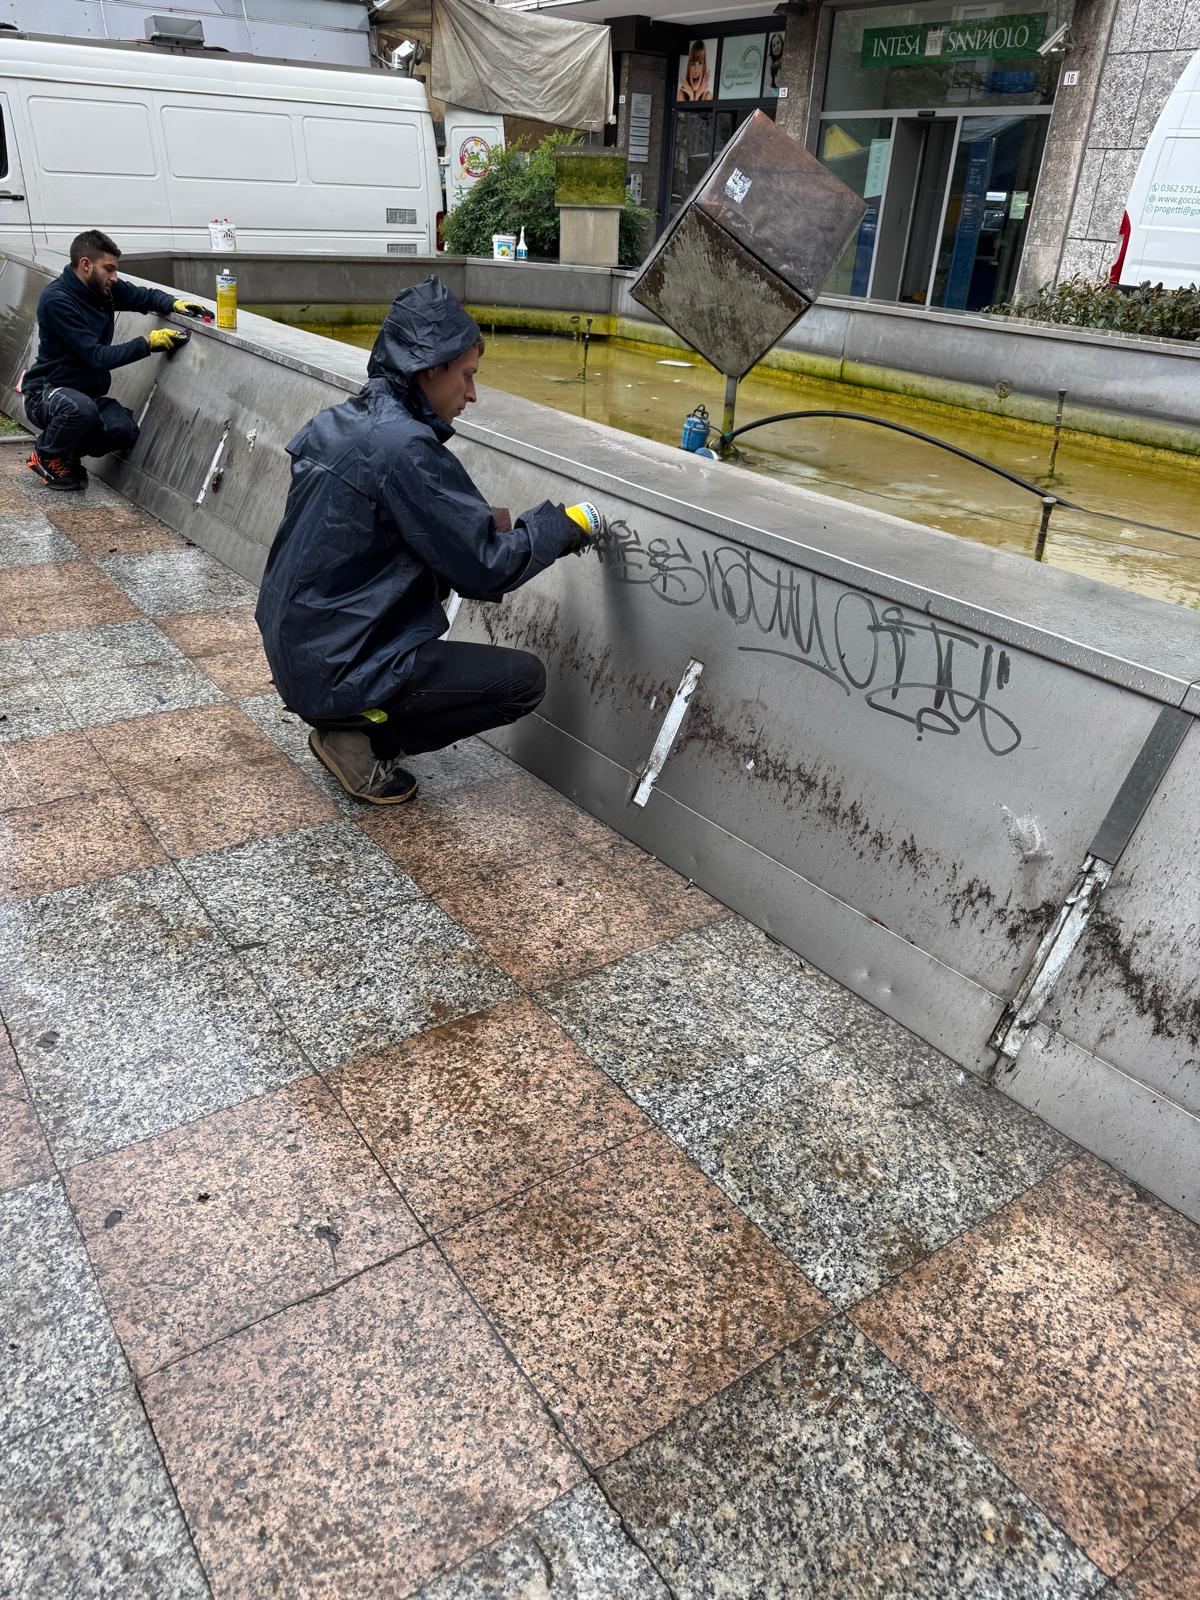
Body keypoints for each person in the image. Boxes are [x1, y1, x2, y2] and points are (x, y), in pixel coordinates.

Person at [255, 276, 605, 807]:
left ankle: (351, 723)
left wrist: (483, 525)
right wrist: (564, 526)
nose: (471, 393)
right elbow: (486, 568)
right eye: (466, 376)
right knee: (522, 682)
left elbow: (381, 527)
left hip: (301, 649)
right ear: (430, 367)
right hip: (340, 667)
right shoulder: (405, 447)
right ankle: (362, 741)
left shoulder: (346, 422)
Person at [22, 228, 209, 492]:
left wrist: (175, 303)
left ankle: (68, 451)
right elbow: (96, 357)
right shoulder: (57, 300)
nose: (114, 276)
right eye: (108, 269)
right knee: (80, 409)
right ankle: (47, 454)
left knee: (124, 430)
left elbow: (144, 296)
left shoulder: (103, 289)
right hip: (46, 393)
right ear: (86, 265)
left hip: (83, 395)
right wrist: (146, 344)